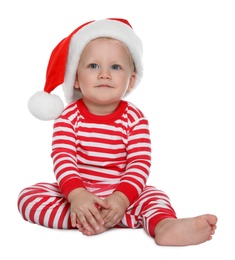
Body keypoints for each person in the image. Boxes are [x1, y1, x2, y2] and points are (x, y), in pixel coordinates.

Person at [17, 18, 217, 246]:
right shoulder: (68, 117)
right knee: (29, 197)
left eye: (115, 67)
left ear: (130, 81)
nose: (104, 74)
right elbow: (63, 159)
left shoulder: (134, 118)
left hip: (122, 192)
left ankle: (164, 225)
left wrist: (122, 198)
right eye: (93, 66)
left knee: (155, 196)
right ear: (75, 79)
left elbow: (139, 163)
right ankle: (91, 217)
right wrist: (77, 196)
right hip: (78, 191)